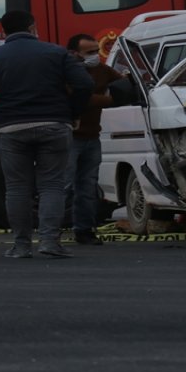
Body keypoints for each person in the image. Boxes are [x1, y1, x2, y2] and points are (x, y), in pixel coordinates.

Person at [0, 10, 93, 259]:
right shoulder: (56, 53)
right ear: (33, 27)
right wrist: (72, 113)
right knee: (52, 185)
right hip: (54, 124)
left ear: (4, 32)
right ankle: (49, 242)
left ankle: (21, 245)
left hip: (11, 129)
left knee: (16, 188)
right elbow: (85, 84)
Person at [64, 34, 123, 246]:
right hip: (70, 137)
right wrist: (111, 99)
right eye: (89, 52)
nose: (95, 56)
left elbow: (123, 84)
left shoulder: (102, 70)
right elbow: (78, 97)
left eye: (96, 51)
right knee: (63, 186)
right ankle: (50, 233)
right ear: (75, 53)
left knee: (87, 188)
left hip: (91, 136)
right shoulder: (68, 71)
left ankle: (84, 230)